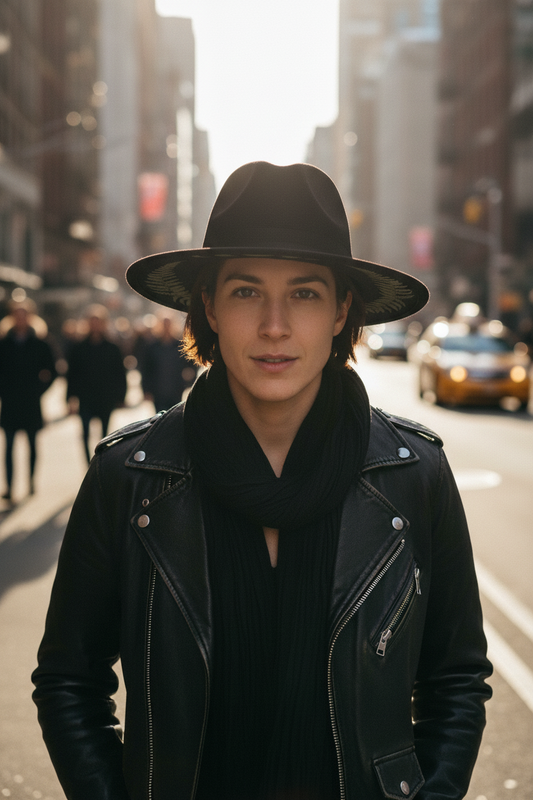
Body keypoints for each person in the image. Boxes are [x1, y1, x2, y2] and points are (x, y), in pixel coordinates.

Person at [32, 161, 492, 800]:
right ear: (209, 308)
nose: (274, 326)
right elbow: (70, 682)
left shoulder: (414, 476)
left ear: (341, 313)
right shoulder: (128, 479)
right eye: (246, 291)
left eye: (304, 293)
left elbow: (456, 681)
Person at [0, 301, 57, 501]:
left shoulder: (40, 343)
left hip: (31, 402)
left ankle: (31, 481)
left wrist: (39, 391)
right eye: (17, 314)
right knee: (8, 446)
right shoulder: (4, 343)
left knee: (32, 444)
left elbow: (53, 371)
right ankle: (9, 487)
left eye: (24, 314)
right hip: (9, 403)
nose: (20, 318)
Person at [66, 304, 127, 463]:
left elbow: (120, 373)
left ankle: (101, 464)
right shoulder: (78, 347)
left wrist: (121, 396)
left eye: (98, 320)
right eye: (92, 320)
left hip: (106, 398)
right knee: (85, 434)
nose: (95, 324)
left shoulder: (112, 347)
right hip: (85, 397)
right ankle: (89, 465)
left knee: (105, 436)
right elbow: (72, 374)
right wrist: (70, 398)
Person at [140, 315, 197, 412]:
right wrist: (146, 390)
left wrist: (188, 382)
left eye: (168, 325)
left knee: (174, 417)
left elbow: (192, 365)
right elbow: (146, 370)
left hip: (176, 390)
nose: (166, 327)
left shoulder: (180, 346)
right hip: (158, 391)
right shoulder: (152, 347)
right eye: (164, 325)